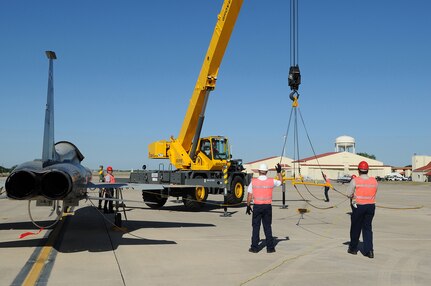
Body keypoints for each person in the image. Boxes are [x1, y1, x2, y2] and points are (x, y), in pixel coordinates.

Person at [246, 163, 283, 253]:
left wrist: (248, 205)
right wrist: (279, 172)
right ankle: (270, 248)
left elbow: (249, 195)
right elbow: (281, 182)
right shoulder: (271, 181)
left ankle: (254, 248)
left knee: (256, 227)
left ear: (259, 171)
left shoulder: (253, 181)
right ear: (266, 172)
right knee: (267, 227)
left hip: (257, 207)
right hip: (267, 207)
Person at [346, 161, 378, 258]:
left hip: (359, 206)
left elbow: (348, 193)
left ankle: (353, 248)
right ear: (367, 170)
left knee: (356, 228)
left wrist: (353, 196)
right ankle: (369, 251)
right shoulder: (374, 181)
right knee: (367, 228)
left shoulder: (355, 180)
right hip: (371, 207)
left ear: (358, 170)